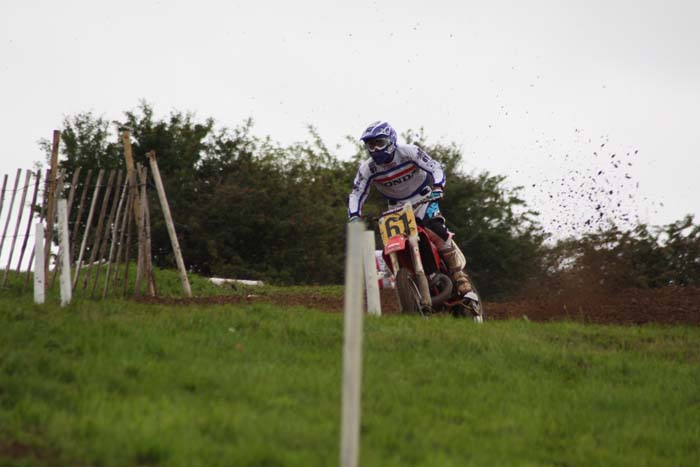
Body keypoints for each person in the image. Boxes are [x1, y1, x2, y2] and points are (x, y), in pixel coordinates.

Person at [347, 121, 474, 297]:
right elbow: (357, 192)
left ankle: (460, 275)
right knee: (393, 244)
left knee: (435, 229)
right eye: (371, 145)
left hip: (424, 199)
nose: (375, 149)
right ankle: (412, 282)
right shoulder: (367, 168)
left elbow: (435, 167)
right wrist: (354, 215)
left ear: (391, 141)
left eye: (380, 143)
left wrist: (438, 187)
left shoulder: (409, 152)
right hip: (396, 209)